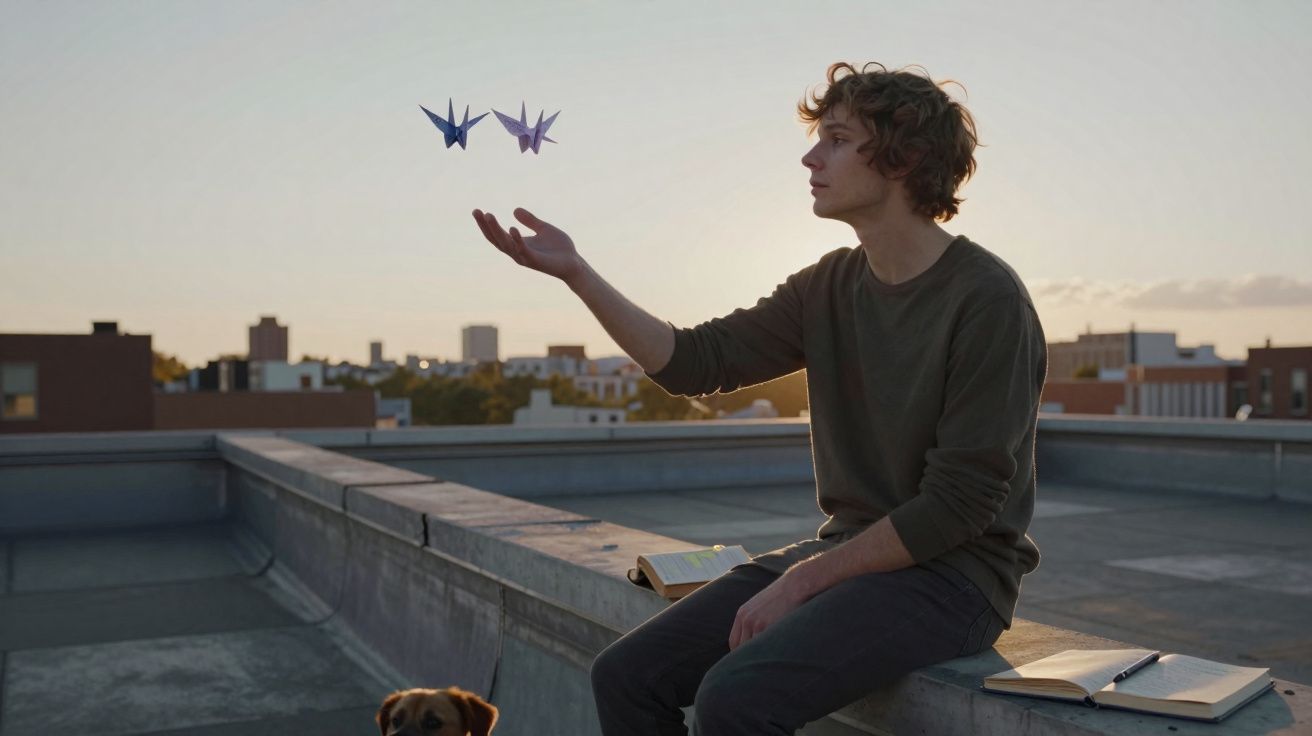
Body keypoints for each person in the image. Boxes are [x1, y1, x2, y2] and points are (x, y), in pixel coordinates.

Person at [472, 60, 1047, 736]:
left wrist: (801, 580)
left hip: (956, 580)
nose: (810, 157)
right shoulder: (828, 284)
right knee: (626, 676)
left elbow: (958, 507)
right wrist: (577, 274)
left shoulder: (987, 299)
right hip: (853, 554)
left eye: (835, 138)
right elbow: (693, 363)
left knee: (738, 697)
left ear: (905, 156)